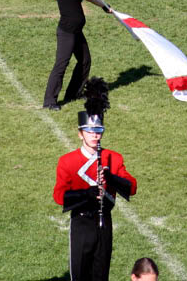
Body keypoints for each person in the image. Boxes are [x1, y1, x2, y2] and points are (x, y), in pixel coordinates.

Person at [53, 78, 137, 281]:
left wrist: (110, 178)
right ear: (80, 133)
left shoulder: (113, 158)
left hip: (104, 222)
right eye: (89, 131)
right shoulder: (68, 161)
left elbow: (132, 187)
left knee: (101, 276)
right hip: (81, 222)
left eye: (98, 131)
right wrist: (87, 193)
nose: (94, 135)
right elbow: (59, 196)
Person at [42, 0, 111, 110]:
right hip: (66, 33)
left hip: (77, 32)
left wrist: (104, 6)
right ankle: (49, 101)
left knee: (85, 61)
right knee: (61, 65)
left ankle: (73, 93)